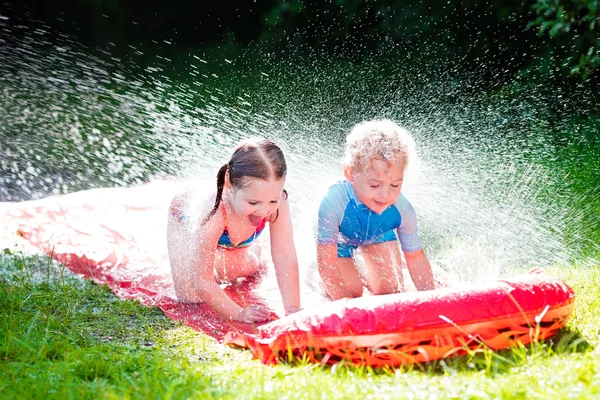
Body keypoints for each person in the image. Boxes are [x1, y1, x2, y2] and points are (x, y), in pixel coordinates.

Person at [167, 138, 301, 323]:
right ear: (229, 184)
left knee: (233, 274)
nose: (263, 211)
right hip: (184, 221)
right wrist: (238, 313)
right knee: (191, 297)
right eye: (253, 202)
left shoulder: (279, 203)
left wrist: (293, 308)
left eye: (272, 200)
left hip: (232, 235)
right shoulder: (212, 213)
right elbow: (201, 281)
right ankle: (244, 252)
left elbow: (284, 254)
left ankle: (253, 255)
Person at [316, 119, 435, 300]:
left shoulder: (402, 209)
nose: (385, 195)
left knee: (391, 289)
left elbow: (416, 258)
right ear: (350, 173)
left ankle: (363, 266)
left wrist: (431, 298)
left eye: (395, 185)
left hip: (376, 235)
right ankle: (319, 277)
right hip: (339, 240)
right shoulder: (334, 202)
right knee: (352, 292)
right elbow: (327, 262)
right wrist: (343, 305)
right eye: (374, 184)